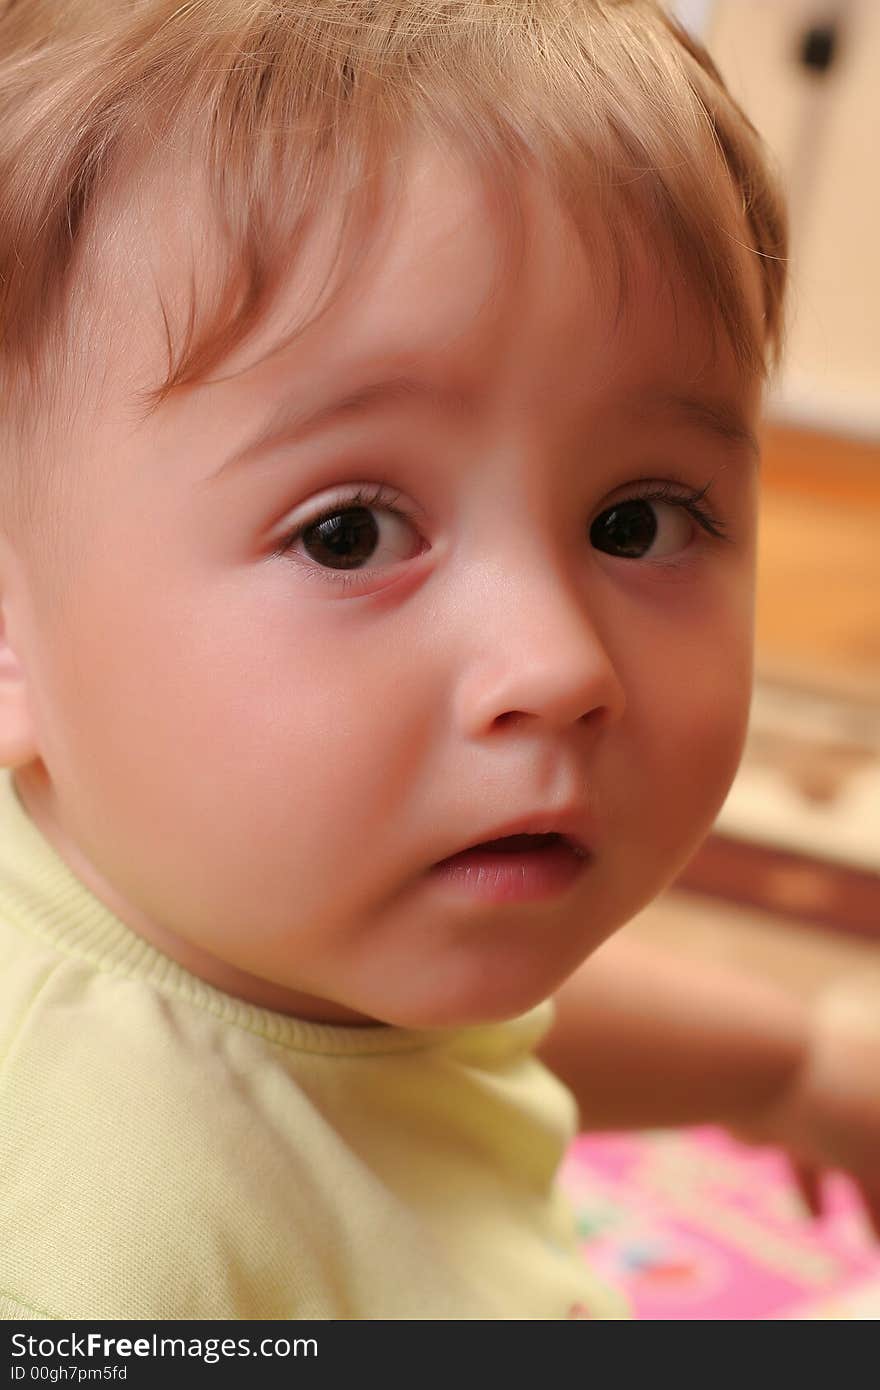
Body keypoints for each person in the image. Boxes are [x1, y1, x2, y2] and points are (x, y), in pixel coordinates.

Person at [0, 0, 876, 1321]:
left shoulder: (263, 902)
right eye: (348, 533)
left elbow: (465, 1026)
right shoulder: (111, 1252)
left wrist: (789, 1068)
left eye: (635, 520)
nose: (557, 661)